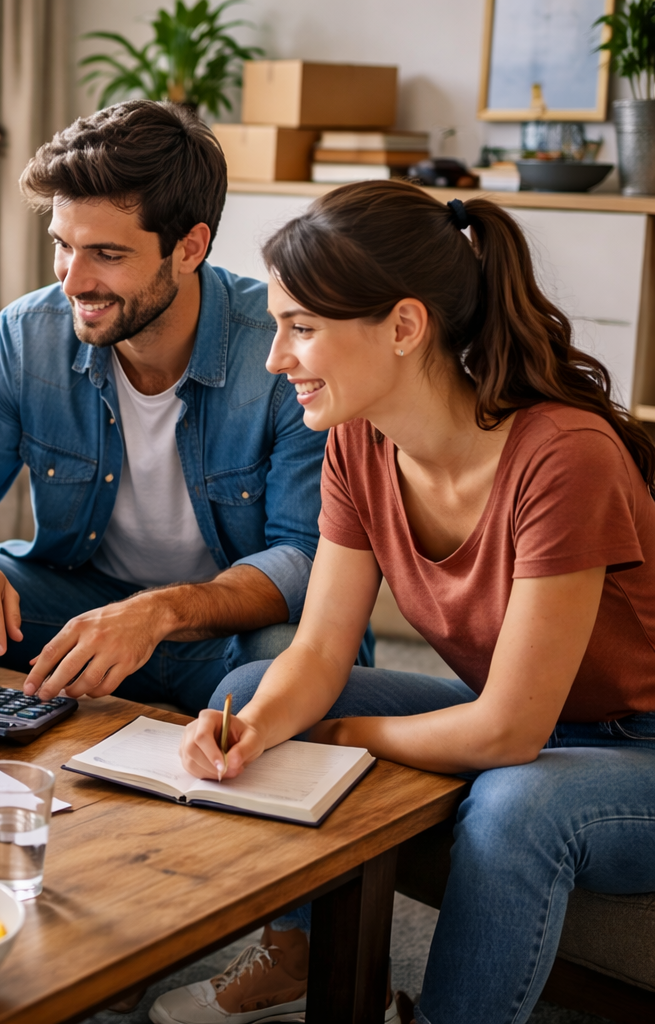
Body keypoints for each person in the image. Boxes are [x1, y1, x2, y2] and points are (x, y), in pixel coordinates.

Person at [151, 181, 655, 1024]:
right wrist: (262, 730)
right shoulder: (358, 440)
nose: (276, 359)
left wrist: (339, 738)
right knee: (250, 696)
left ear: (405, 326)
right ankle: (302, 966)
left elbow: (508, 734)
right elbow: (317, 653)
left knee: (515, 804)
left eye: (302, 328)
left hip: (634, 747)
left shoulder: (565, 457)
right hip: (524, 713)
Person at [0, 100, 363, 708]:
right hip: (78, 612)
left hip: (230, 634)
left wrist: (157, 613)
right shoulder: (27, 334)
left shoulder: (282, 349)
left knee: (276, 660)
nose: (72, 282)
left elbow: (305, 560)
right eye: (63, 245)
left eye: (107, 255)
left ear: (190, 247)